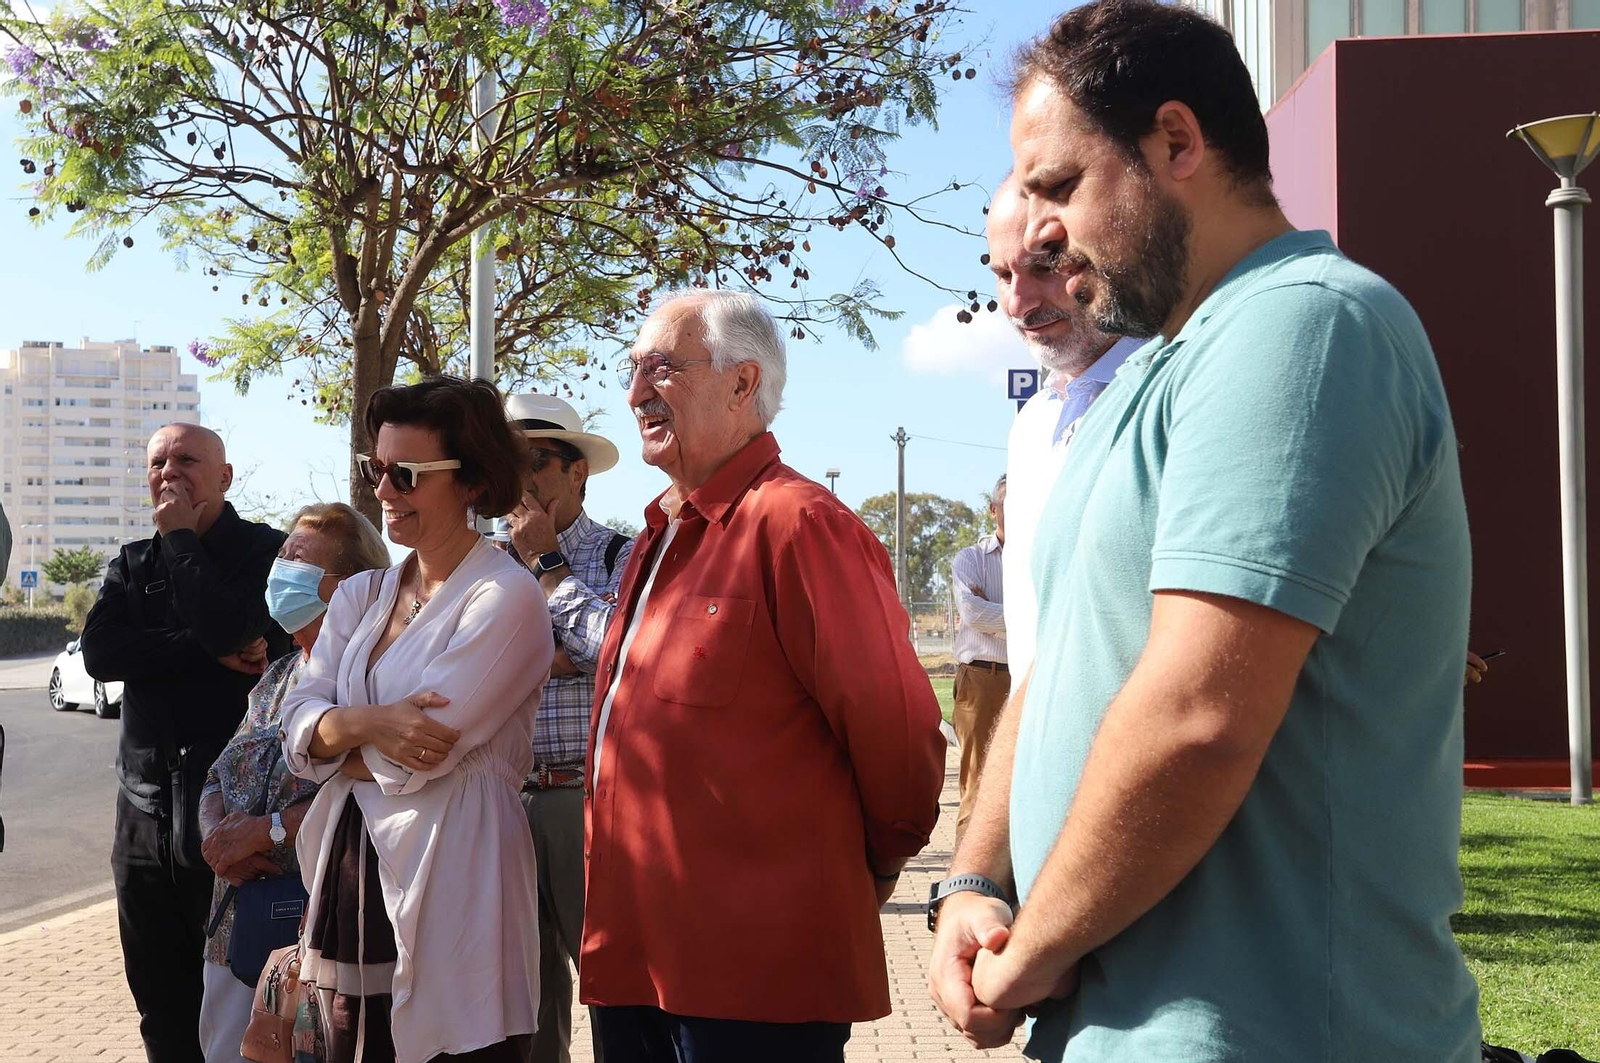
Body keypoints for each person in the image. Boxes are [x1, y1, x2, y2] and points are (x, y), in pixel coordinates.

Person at [929, 3, 1480, 1061]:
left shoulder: (1303, 327)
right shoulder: (1151, 380)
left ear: (1175, 143)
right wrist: (971, 879)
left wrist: (1028, 953)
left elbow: (1197, 717)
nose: (1042, 230)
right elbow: (1061, 663)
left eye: (1059, 184)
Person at [580, 289, 946, 1061]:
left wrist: (879, 860)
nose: (635, 390)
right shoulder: (660, 532)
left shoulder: (799, 524)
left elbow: (897, 728)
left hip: (754, 978)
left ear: (743, 384)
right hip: (633, 957)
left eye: (660, 368)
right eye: (632, 368)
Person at [280, 376, 554, 1063]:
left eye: (404, 473)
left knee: (456, 1041)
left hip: (460, 881)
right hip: (352, 880)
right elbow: (293, 730)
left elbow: (416, 756)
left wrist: (332, 733)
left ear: (470, 481)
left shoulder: (507, 596)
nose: (384, 490)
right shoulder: (361, 595)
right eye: (376, 469)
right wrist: (373, 722)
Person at [83, 422, 290, 1063]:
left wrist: (178, 539)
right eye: (157, 462)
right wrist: (203, 649)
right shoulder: (131, 563)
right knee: (161, 1004)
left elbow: (239, 624)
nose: (169, 472)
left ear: (225, 478)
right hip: (143, 819)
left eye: (187, 460)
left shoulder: (267, 553)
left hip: (233, 819)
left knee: (236, 1004)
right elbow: (100, 653)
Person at [196, 502, 392, 1063]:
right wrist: (218, 837)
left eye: (298, 560)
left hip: (317, 920)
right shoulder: (281, 673)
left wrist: (269, 832)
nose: (280, 569)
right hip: (233, 917)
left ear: (347, 585)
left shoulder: (368, 676)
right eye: (282, 554)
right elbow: (221, 771)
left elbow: (367, 789)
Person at [502, 392, 631, 1063]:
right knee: (524, 1002)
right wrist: (556, 658)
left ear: (577, 470)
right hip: (505, 803)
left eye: (536, 461)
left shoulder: (620, 557)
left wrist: (550, 565)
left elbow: (619, 652)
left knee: (615, 993)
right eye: (506, 462)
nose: (519, 479)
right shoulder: (482, 563)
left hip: (593, 804)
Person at [987, 177, 1140, 694]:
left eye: (1041, 266)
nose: (1017, 302)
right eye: (1003, 274)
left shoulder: (1176, 391)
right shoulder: (1031, 424)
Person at [949, 475, 1008, 841]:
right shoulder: (970, 559)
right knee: (977, 781)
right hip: (981, 681)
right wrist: (1023, 614)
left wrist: (996, 613)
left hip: (1029, 676)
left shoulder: (1038, 557)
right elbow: (972, 613)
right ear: (993, 509)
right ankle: (965, 880)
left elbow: (1057, 608)